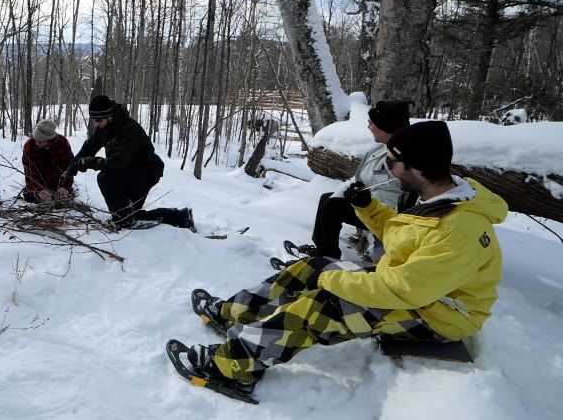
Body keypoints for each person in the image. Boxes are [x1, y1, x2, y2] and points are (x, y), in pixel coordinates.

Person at [172, 121, 506, 398]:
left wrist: (331, 282)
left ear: (416, 168)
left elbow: (403, 290)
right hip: (419, 289)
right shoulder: (442, 199)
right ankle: (235, 314)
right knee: (312, 267)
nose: (386, 168)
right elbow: (404, 240)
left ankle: (233, 368)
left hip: (436, 316)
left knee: (321, 306)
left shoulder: (458, 229)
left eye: (392, 162)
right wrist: (368, 207)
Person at [298, 100, 416, 259]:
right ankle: (323, 250)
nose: (368, 127)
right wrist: (344, 195)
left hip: (387, 215)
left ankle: (326, 257)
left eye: (371, 123)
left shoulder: (404, 156)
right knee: (327, 199)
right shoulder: (377, 151)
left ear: (384, 127)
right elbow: (357, 179)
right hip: (370, 207)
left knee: (333, 206)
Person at [60, 95, 194, 230]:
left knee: (106, 179)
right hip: (127, 171)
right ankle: (181, 216)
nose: (96, 123)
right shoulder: (104, 128)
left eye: (98, 120)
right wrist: (71, 168)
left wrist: (89, 162)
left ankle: (124, 222)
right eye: (93, 120)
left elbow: (117, 163)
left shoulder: (129, 129)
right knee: (130, 214)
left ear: (109, 115)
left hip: (146, 171)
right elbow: (89, 147)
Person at [21, 119, 75, 203]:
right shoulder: (29, 146)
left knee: (64, 198)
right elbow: (29, 173)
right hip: (38, 182)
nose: (37, 143)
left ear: (50, 140)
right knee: (29, 196)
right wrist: (38, 190)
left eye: (41, 141)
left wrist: (64, 186)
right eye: (36, 140)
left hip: (57, 181)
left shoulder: (62, 143)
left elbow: (69, 167)